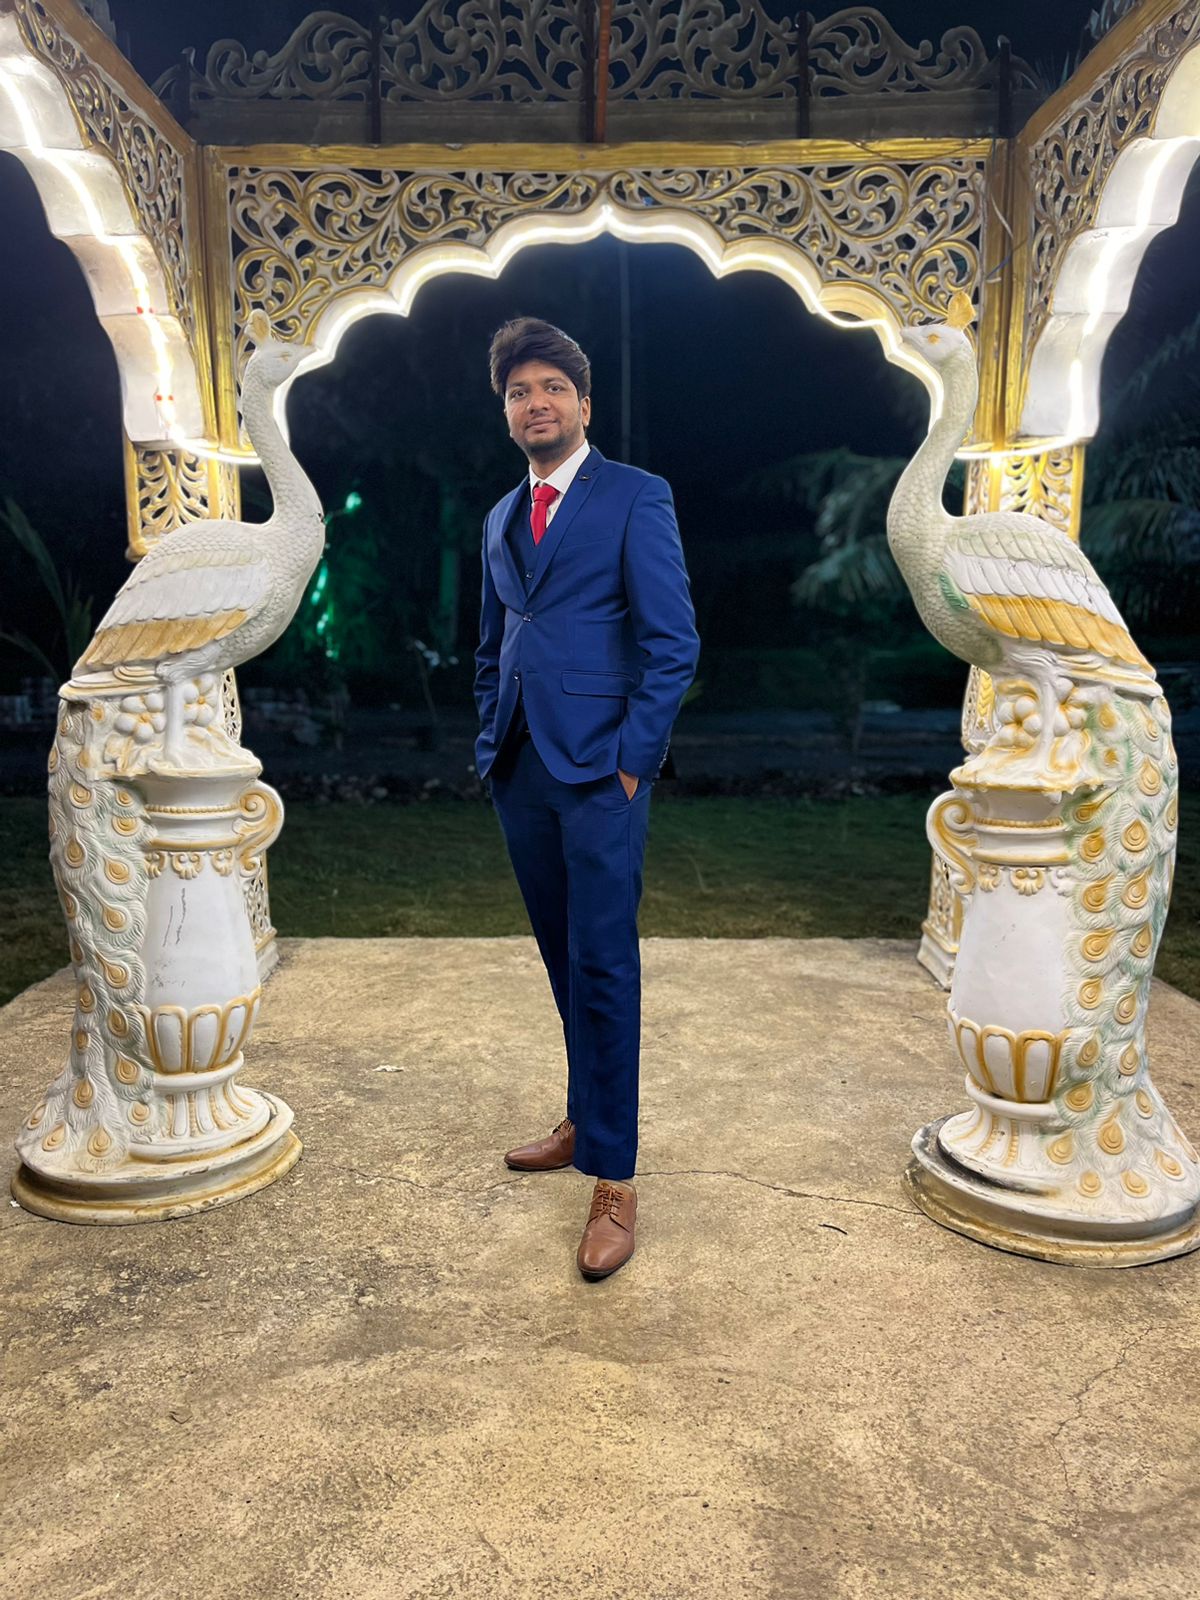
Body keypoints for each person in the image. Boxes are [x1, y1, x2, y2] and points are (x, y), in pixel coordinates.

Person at [474, 317, 699, 1281]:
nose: (537, 403)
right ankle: (584, 1115)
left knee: (604, 966)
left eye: (552, 388)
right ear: (507, 412)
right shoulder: (500, 515)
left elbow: (673, 642)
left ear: (583, 405)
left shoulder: (635, 496)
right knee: (564, 960)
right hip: (521, 770)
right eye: (520, 392)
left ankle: (615, 1177)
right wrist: (488, 737)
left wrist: (631, 764)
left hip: (602, 774)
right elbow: (494, 643)